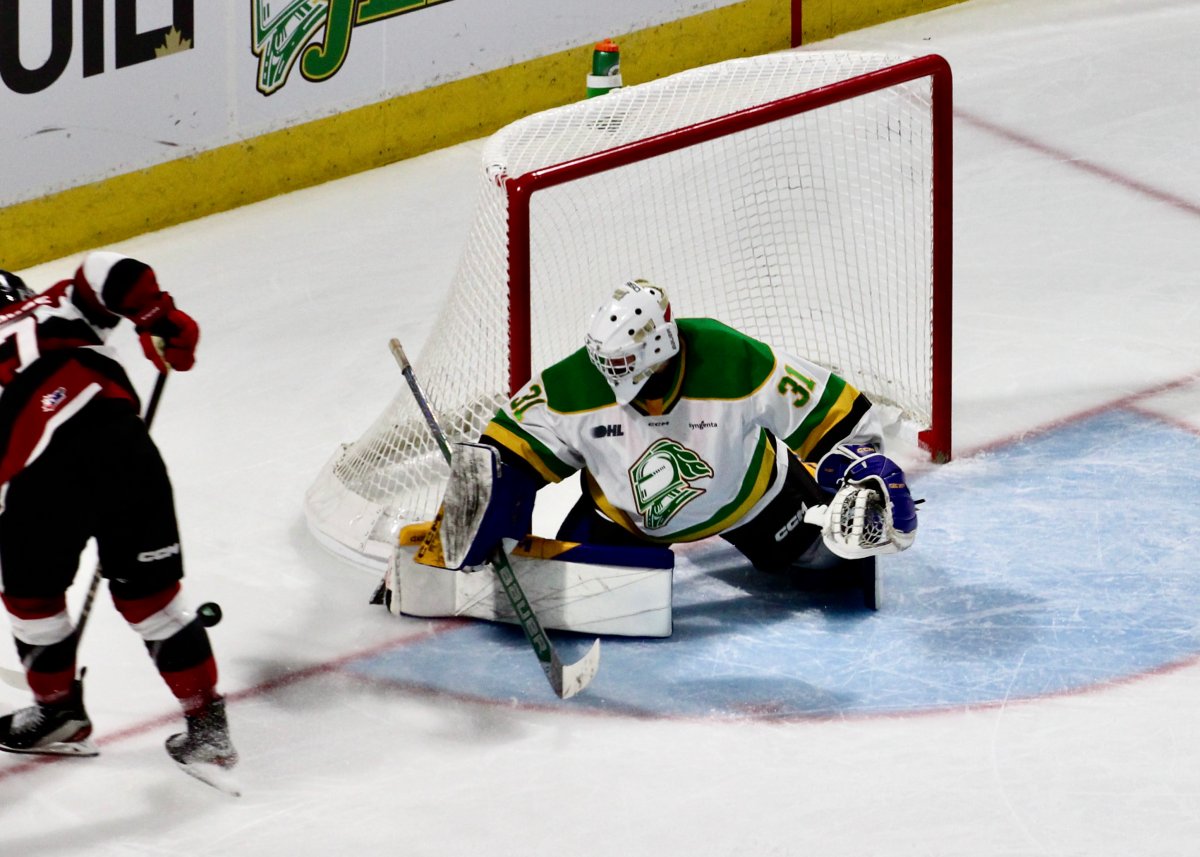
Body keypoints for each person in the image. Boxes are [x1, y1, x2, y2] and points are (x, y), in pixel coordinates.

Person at [440, 278, 917, 581]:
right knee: (575, 584)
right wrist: (490, 496)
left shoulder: (731, 359)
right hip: (622, 519)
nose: (610, 373)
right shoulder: (573, 383)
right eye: (605, 361)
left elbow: (837, 414)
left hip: (754, 501)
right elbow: (507, 448)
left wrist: (859, 470)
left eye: (623, 361)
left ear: (660, 344)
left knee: (833, 568)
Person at [0, 253, 236, 773]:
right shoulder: (55, 302)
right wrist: (161, 320)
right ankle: (207, 727)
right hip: (122, 444)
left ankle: (59, 712)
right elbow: (112, 270)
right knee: (152, 599)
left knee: (31, 599)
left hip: (39, 474)